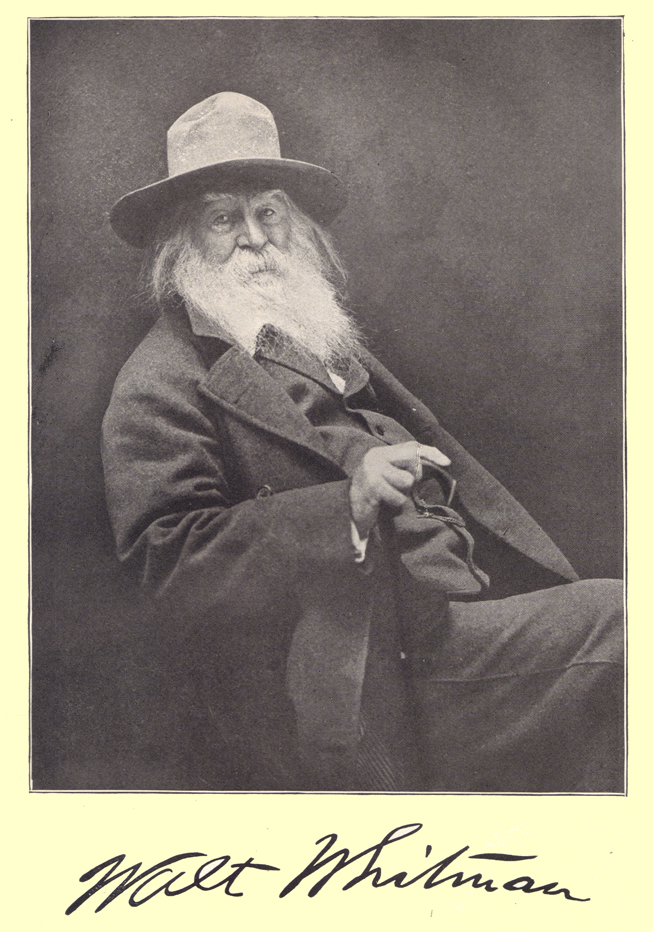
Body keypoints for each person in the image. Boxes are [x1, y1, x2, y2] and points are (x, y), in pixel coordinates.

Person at [102, 92, 623, 793]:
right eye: (224, 218)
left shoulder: (310, 335)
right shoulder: (157, 383)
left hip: (437, 616)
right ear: (181, 240)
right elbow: (166, 566)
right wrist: (345, 505)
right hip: (350, 672)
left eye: (269, 214)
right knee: (624, 625)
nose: (254, 239)